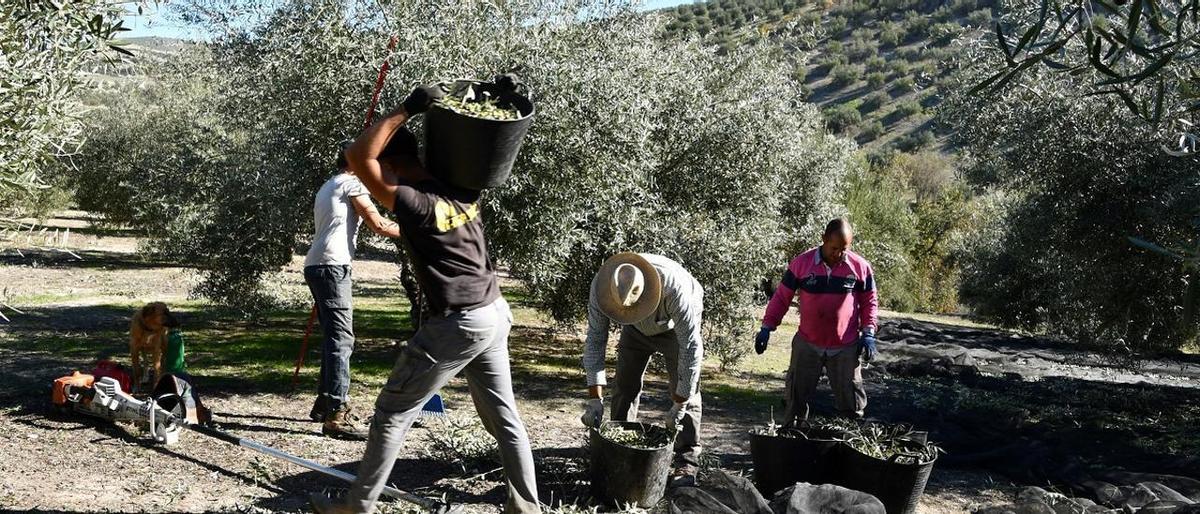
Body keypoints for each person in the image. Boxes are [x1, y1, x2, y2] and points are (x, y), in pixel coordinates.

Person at [310, 84, 540, 514]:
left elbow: (362, 157)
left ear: (393, 164)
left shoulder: (414, 203)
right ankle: (527, 509)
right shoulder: (462, 188)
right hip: (494, 312)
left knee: (392, 412)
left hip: (458, 323)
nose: (366, 177)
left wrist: (409, 107)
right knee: (505, 419)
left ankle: (357, 506)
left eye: (378, 170)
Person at [581, 252, 705, 487]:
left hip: (672, 328)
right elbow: (595, 340)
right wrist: (594, 398)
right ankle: (619, 446)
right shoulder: (602, 285)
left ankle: (687, 460)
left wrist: (679, 402)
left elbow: (690, 350)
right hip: (635, 329)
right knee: (624, 383)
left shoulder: (674, 287)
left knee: (687, 389)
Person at [304, 146, 402, 440]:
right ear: (355, 162)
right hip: (332, 267)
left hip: (318, 265)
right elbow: (379, 224)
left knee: (334, 336)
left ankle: (325, 402)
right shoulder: (351, 182)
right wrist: (424, 229)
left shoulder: (330, 183)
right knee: (342, 338)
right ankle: (336, 413)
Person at [754, 218, 878, 425]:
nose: (838, 254)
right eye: (834, 248)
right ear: (823, 240)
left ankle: (850, 443)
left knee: (852, 404)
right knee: (795, 400)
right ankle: (792, 441)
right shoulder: (802, 264)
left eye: (844, 249)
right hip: (808, 344)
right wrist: (767, 327)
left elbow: (869, 302)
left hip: (845, 346)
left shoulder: (861, 268)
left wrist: (868, 333)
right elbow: (782, 298)